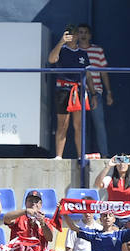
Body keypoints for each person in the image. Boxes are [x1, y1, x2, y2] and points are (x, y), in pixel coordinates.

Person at [48, 25, 91, 159]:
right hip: (63, 89)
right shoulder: (61, 50)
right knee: (62, 124)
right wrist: (61, 42)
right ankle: (59, 156)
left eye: (75, 34)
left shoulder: (83, 54)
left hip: (78, 90)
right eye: (70, 34)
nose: (73, 37)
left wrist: (93, 93)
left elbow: (88, 74)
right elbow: (51, 59)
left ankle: (80, 156)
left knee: (78, 125)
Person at [74, 24, 113, 156]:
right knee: (79, 125)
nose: (83, 35)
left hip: (96, 92)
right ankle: (81, 154)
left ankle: (105, 154)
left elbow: (103, 72)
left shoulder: (98, 51)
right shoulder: (73, 50)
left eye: (85, 32)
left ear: (90, 35)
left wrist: (109, 92)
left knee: (99, 125)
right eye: (80, 32)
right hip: (78, 93)